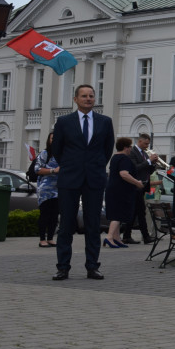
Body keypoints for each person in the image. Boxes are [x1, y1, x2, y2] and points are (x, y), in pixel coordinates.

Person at [51, 84, 115, 281]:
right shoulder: (64, 122)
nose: (88, 99)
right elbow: (57, 149)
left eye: (91, 96)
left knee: (93, 225)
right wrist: (72, 165)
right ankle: (63, 267)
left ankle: (92, 266)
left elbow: (107, 149)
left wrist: (93, 166)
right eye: (84, 96)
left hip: (94, 179)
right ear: (75, 99)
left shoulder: (105, 122)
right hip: (70, 178)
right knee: (66, 225)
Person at [104, 137, 147, 248]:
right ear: (125, 147)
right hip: (120, 190)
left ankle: (117, 238)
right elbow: (124, 174)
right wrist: (137, 182)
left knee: (116, 213)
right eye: (129, 147)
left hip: (112, 189)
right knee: (118, 214)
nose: (130, 149)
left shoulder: (115, 157)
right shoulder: (124, 159)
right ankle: (109, 237)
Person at [122, 132, 158, 244]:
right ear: (140, 141)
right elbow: (135, 168)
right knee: (141, 212)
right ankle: (146, 236)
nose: (147, 146)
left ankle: (127, 236)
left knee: (134, 212)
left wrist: (153, 164)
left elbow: (147, 170)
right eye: (145, 143)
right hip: (134, 185)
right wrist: (148, 161)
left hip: (142, 186)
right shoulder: (132, 152)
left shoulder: (144, 153)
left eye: (148, 144)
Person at [34, 131, 59, 248]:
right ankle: (42, 239)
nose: (54, 140)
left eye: (56, 138)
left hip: (58, 189)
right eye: (52, 138)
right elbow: (37, 169)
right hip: (45, 190)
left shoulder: (62, 153)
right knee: (45, 215)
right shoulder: (45, 153)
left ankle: (50, 238)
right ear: (48, 140)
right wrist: (53, 171)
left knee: (54, 215)